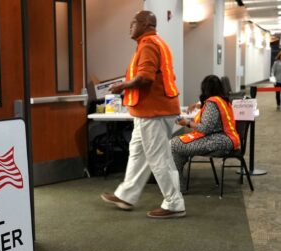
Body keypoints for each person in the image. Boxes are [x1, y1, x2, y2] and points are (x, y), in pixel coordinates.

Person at [100, 10, 185, 219]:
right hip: (150, 111)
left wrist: (121, 86)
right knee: (137, 152)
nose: (130, 26)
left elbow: (144, 78)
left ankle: (174, 203)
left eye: (134, 22)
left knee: (159, 159)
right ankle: (127, 194)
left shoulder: (148, 44)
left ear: (147, 23)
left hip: (153, 112)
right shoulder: (155, 43)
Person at [171, 75, 240, 190]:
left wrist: (186, 123)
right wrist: (198, 105)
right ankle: (178, 184)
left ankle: (178, 185)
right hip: (227, 139)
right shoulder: (222, 100)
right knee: (177, 148)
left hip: (219, 141)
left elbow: (205, 128)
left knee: (173, 144)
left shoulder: (212, 103)